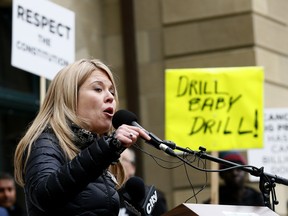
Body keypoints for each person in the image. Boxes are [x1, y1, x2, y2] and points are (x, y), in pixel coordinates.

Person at [13, 59, 151, 216]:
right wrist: (107, 149)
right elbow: (44, 195)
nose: (110, 97)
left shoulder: (93, 151)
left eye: (112, 92)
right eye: (98, 89)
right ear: (69, 96)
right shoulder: (45, 142)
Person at [118, 148, 168, 216]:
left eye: (122, 159)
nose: (118, 163)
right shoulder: (109, 196)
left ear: (132, 167)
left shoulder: (153, 198)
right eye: (116, 159)